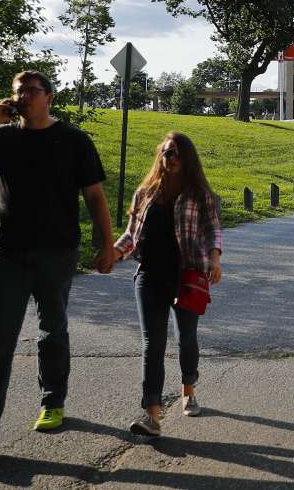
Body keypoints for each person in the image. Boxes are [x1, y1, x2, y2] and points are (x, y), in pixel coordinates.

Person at [0, 71, 115, 453]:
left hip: (57, 251)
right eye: (18, 90)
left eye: (31, 91)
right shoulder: (2, 138)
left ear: (49, 97)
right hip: (7, 252)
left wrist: (108, 245)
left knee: (52, 330)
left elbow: (95, 196)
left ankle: (52, 402)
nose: (23, 96)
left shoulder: (73, 141)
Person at [110, 132, 223, 436]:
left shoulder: (200, 193)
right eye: (165, 153)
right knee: (153, 344)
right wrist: (114, 253)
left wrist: (214, 259)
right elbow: (131, 235)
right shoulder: (145, 192)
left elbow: (213, 230)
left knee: (186, 338)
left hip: (187, 275)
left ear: (186, 158)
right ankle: (153, 414)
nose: (168, 158)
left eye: (174, 153)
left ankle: (188, 389)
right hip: (149, 275)